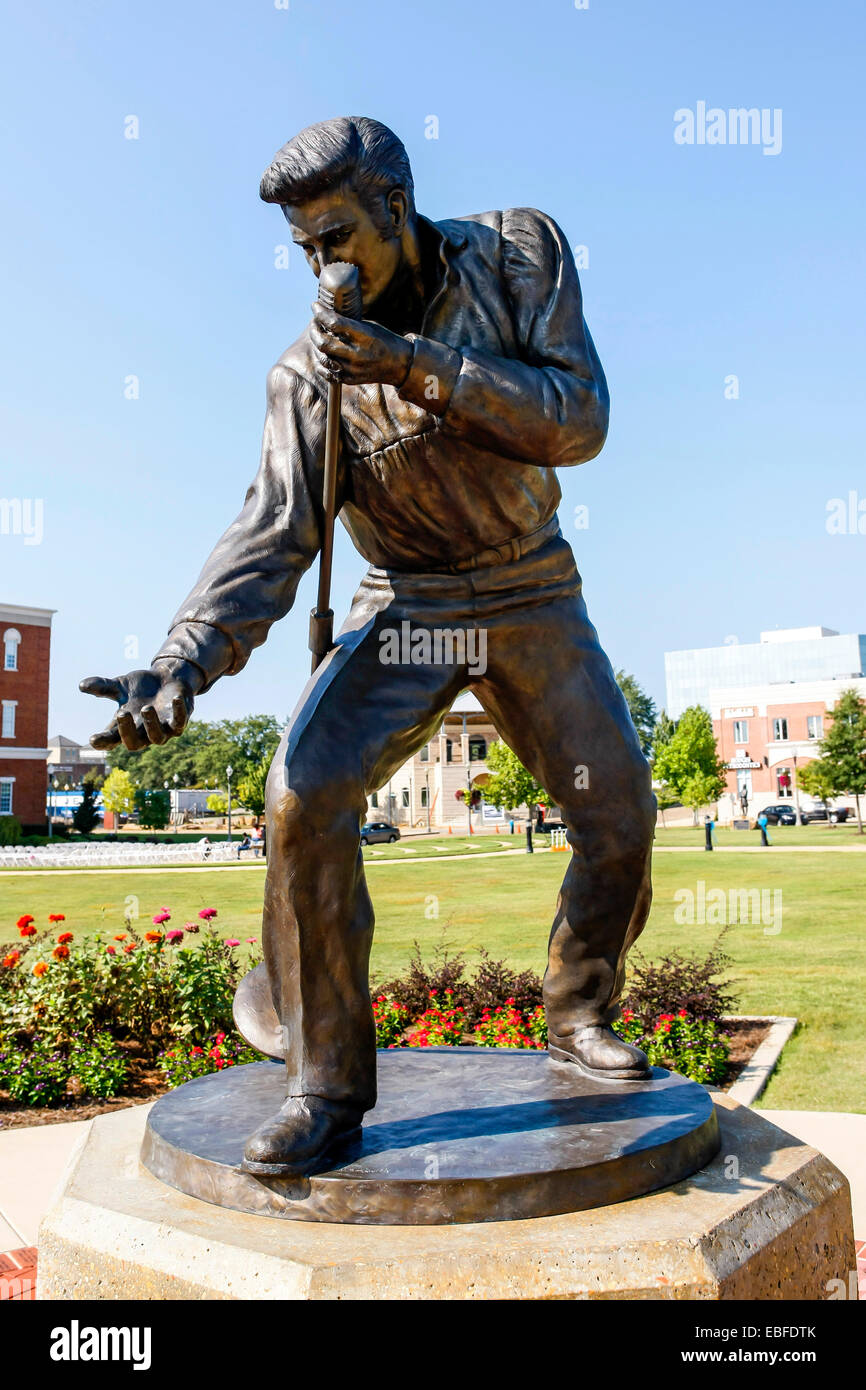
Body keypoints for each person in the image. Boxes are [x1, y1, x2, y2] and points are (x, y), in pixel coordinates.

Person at [81, 117, 655, 1176]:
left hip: (532, 582)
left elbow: (577, 420)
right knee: (301, 796)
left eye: (337, 235)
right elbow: (272, 532)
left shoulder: (519, 252)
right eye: (305, 249)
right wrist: (182, 658)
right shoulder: (307, 375)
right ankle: (325, 1086)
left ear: (397, 206)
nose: (322, 267)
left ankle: (577, 1010)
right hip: (408, 607)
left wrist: (418, 367)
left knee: (616, 810)